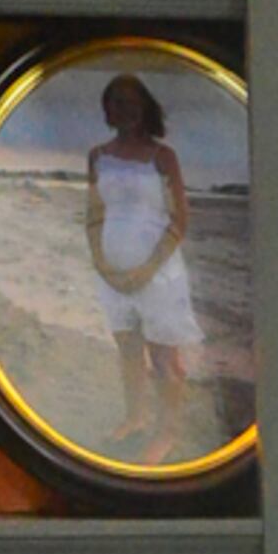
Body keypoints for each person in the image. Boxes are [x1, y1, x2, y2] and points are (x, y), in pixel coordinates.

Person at [85, 70, 202, 442]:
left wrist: (147, 269)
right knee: (129, 353)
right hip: (113, 277)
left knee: (166, 360)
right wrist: (103, 265)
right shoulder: (97, 156)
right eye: (117, 101)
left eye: (132, 102)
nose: (125, 109)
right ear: (107, 109)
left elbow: (180, 221)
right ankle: (135, 418)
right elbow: (94, 217)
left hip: (158, 274)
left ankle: (167, 434)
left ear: (145, 107)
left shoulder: (162, 157)